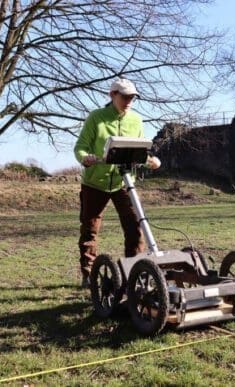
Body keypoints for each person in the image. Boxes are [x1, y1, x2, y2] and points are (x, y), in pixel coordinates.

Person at [74, 78, 159, 287]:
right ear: (112, 95)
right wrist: (86, 158)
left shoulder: (136, 121)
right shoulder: (97, 118)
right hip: (95, 183)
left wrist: (150, 161)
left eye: (133, 97)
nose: (129, 100)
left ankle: (134, 270)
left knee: (134, 226)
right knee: (90, 229)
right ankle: (88, 273)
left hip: (123, 182)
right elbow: (80, 147)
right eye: (125, 96)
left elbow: (138, 151)